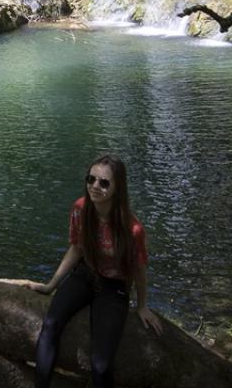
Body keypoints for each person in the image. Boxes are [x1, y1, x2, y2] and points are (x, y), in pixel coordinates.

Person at [27, 154, 162, 388]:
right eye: (91, 179)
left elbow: (139, 272)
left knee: (100, 365)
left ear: (118, 187)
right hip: (85, 274)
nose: (95, 186)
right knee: (50, 325)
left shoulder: (133, 230)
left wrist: (141, 305)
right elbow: (76, 249)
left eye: (104, 182)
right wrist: (51, 285)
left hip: (115, 287)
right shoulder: (80, 209)